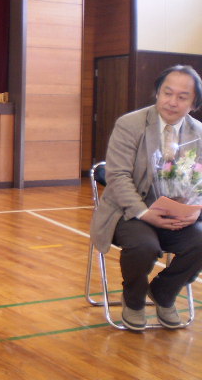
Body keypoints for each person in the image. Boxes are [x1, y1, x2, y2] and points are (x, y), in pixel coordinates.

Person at [91, 64, 202, 331]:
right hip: (129, 212)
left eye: (182, 97)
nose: (172, 102)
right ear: (157, 93)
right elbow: (117, 176)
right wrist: (144, 213)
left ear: (194, 103)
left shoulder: (199, 133)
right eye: (167, 93)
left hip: (177, 214)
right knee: (144, 246)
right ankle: (134, 301)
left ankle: (164, 292)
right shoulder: (130, 124)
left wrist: (195, 210)